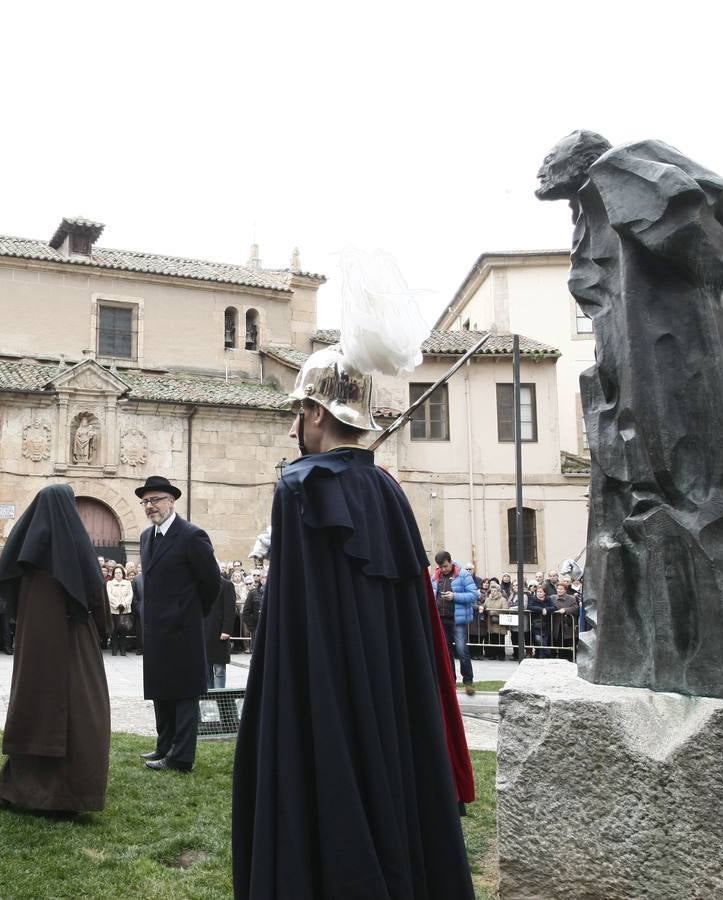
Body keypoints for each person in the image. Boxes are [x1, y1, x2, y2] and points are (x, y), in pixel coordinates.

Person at [233, 272, 475, 898]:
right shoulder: (389, 491)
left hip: (321, 689)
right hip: (389, 691)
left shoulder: (299, 488)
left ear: (317, 411)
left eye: (298, 412)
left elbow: (293, 620)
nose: (294, 429)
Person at [0, 484, 110, 814]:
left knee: (33, 707)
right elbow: (96, 596)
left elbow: (9, 599)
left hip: (35, 648)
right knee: (80, 711)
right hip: (73, 644)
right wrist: (102, 632)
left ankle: (19, 790)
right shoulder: (77, 551)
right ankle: (68, 795)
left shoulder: (27, 559)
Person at [135, 474, 220, 774]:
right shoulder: (147, 537)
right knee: (161, 689)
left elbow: (211, 583)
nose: (150, 506)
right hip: (156, 630)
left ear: (172, 501)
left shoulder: (191, 535)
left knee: (184, 694)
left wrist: (192, 612)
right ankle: (164, 745)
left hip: (184, 630)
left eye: (155, 500)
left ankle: (181, 757)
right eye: (145, 501)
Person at [432, 551, 479, 695]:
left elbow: (474, 595)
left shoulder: (463, 574)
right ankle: (450, 682)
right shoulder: (436, 576)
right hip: (442, 618)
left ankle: (468, 682)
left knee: (461, 650)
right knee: (446, 652)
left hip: (457, 620)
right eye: (441, 567)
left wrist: (454, 596)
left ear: (450, 561)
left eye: (445, 566)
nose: (444, 569)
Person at [205, 570, 236, 688]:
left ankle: (219, 695)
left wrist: (226, 630)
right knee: (206, 670)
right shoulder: (202, 585)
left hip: (219, 632)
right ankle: (210, 698)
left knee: (219, 669)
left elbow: (229, 609)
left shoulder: (226, 585)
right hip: (205, 632)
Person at [106, 565, 134, 657]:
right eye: (116, 572)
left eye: (120, 572)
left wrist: (124, 604)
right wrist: (118, 604)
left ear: (123, 574)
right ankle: (114, 650)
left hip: (125, 610)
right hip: (114, 610)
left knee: (123, 631)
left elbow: (130, 595)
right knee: (113, 631)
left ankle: (123, 650)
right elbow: (109, 595)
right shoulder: (109, 583)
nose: (118, 574)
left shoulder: (128, 583)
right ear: (114, 574)